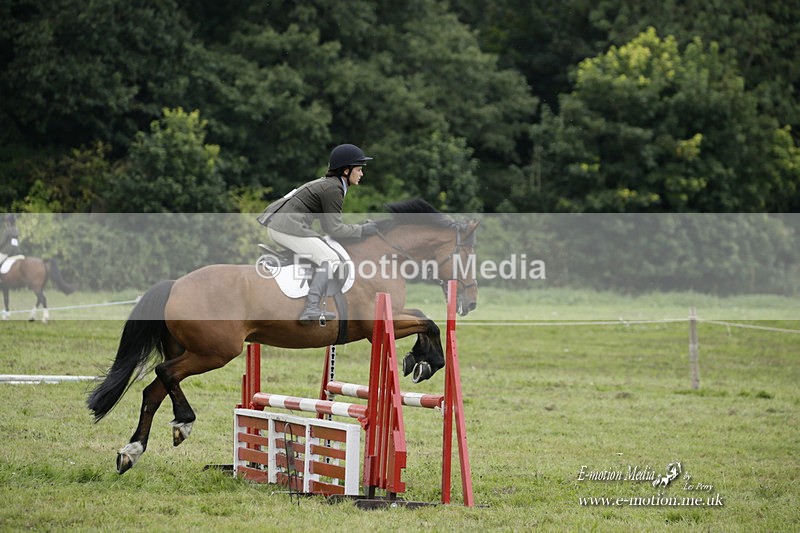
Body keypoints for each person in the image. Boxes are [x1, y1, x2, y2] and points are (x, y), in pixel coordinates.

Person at [257, 144, 379, 325]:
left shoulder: (330, 184)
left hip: (281, 225)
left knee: (322, 248)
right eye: (359, 169)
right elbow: (335, 229)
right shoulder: (333, 189)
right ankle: (311, 307)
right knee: (331, 259)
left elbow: (328, 226)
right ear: (346, 171)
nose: (361, 174)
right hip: (286, 227)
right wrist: (362, 230)